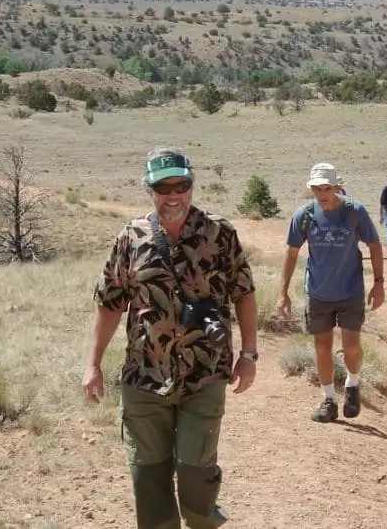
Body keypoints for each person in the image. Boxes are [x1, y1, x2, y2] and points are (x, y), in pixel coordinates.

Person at [83, 147, 258, 529]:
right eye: (163, 187)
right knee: (149, 480)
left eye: (182, 184)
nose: (173, 194)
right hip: (144, 377)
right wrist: (93, 364)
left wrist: (249, 354)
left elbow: (243, 293)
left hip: (205, 376)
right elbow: (110, 303)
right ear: (149, 189)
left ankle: (201, 520)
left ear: (192, 185)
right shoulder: (131, 238)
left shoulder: (220, 233)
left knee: (196, 477)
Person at [278, 163, 385, 423]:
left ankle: (352, 384)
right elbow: (291, 252)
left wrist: (379, 283)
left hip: (350, 291)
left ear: (337, 186)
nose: (322, 192)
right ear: (311, 188)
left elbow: (374, 244)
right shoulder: (304, 215)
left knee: (351, 347)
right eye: (317, 188)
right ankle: (328, 400)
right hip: (318, 292)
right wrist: (283, 291)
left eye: (327, 187)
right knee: (322, 348)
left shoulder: (354, 212)